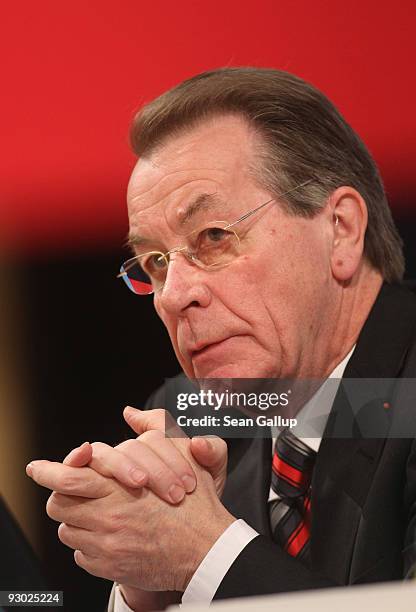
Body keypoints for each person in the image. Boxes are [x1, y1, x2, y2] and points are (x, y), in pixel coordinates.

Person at [26, 67, 416, 611]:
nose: (172, 295)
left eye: (213, 237)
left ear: (341, 230)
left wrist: (204, 555)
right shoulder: (190, 423)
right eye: (154, 263)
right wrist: (149, 589)